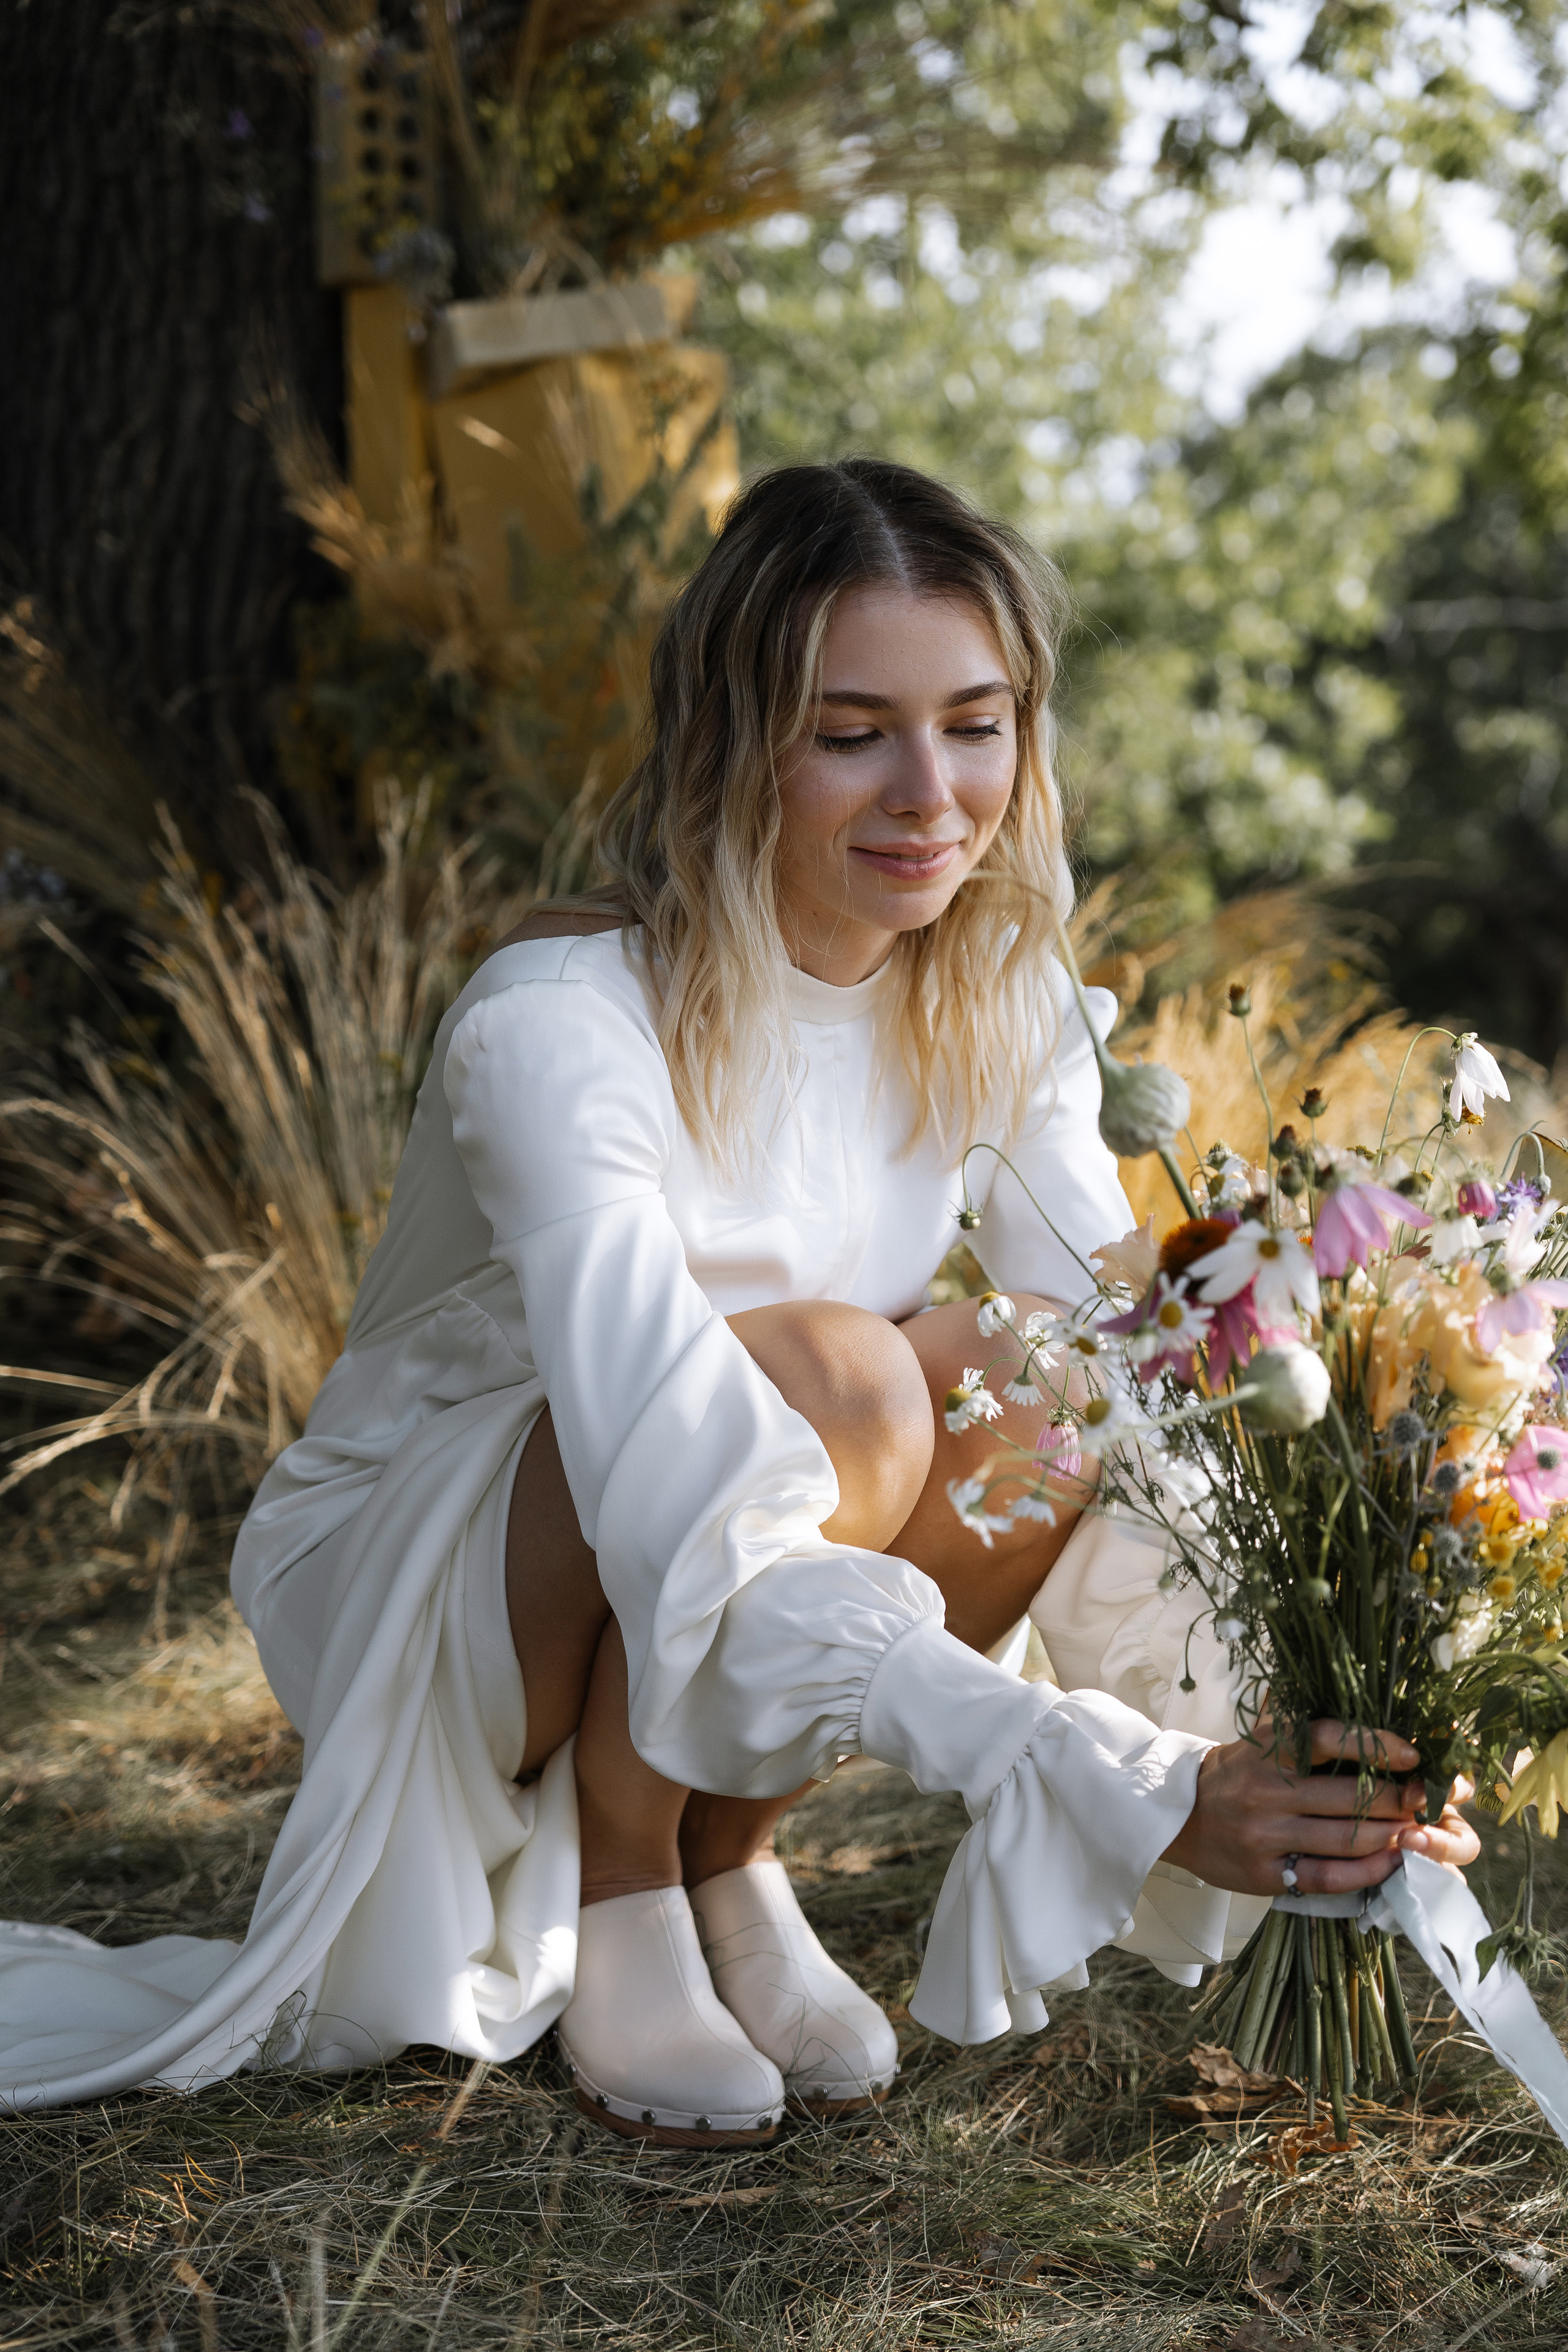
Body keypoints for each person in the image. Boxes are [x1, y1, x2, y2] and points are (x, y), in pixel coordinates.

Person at [0, 459, 1477, 2126]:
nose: (933, 791)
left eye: (976, 724)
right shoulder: (557, 1020)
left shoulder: (1001, 995)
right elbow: (668, 1453)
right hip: (452, 1572)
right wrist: (1116, 1786)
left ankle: (729, 1864)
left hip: (720, 1540)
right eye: (853, 733)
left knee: (1034, 1367)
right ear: (733, 741)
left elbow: (1129, 1380)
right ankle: (621, 1889)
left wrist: (1303, 1708)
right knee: (845, 1379)